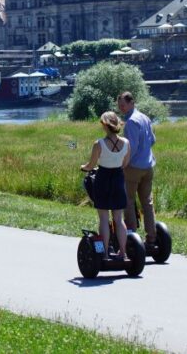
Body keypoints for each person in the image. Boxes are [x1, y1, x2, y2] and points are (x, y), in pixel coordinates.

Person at [80, 111, 131, 260]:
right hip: (118, 179)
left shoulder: (99, 144)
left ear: (104, 125)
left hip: (103, 179)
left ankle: (106, 254)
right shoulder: (126, 143)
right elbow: (125, 163)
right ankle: (123, 252)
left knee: (103, 218)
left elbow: (91, 165)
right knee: (118, 219)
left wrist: (83, 166)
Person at [117, 91, 157, 244]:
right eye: (119, 105)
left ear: (131, 103)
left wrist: (122, 165)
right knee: (147, 202)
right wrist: (144, 150)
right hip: (148, 166)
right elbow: (152, 140)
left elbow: (131, 148)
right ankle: (152, 237)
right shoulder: (144, 117)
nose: (121, 108)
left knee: (128, 200)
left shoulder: (132, 122)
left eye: (123, 105)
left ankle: (132, 236)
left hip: (134, 168)